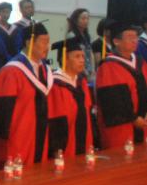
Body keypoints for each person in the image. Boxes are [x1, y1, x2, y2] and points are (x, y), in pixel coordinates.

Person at [0, 22, 53, 165]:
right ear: (29, 42)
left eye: (48, 42)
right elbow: (1, 112)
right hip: (18, 138)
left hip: (39, 136)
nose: (47, 47)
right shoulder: (12, 71)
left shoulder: (45, 70)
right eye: (43, 42)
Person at [94, 21, 147, 151]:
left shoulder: (141, 62)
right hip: (122, 128)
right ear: (116, 41)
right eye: (129, 37)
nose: (134, 40)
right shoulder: (108, 66)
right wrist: (134, 119)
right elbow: (112, 102)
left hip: (143, 124)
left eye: (136, 36)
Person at [48, 37, 94, 157]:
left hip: (85, 144)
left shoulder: (82, 82)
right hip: (65, 148)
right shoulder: (55, 84)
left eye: (83, 56)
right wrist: (57, 150)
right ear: (65, 59)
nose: (82, 60)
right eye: (77, 56)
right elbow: (55, 122)